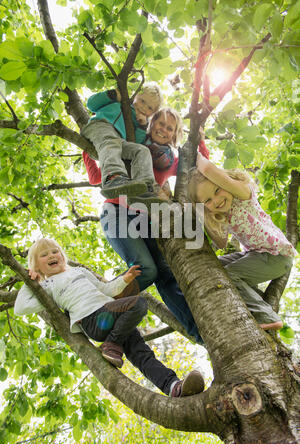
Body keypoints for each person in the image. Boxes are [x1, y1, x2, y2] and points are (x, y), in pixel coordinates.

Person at [14, 238, 205, 398]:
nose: (52, 256)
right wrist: (30, 281)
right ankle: (111, 344)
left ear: (62, 256)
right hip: (94, 321)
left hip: (116, 319)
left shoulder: (79, 271)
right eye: (44, 255)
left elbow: (106, 289)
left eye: (55, 251)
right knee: (138, 304)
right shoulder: (48, 286)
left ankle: (173, 387)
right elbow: (20, 308)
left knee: (142, 355)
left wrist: (125, 279)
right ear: (36, 266)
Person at [83, 108, 210, 344]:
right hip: (117, 212)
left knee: (167, 275)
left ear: (174, 134)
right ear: (150, 124)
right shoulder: (131, 143)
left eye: (169, 128)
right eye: (159, 123)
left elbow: (199, 166)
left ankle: (200, 333)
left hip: (147, 221)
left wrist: (200, 140)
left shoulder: (170, 159)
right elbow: (95, 178)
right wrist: (89, 146)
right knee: (147, 269)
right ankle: (96, 306)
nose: (163, 129)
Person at [187, 153, 296, 330]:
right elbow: (221, 243)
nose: (216, 200)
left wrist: (197, 149)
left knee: (229, 274)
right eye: (208, 200)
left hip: (277, 256)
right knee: (212, 266)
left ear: (224, 182)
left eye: (217, 190)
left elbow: (207, 169)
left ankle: (266, 316)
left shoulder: (242, 194)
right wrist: (205, 214)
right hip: (256, 255)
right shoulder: (223, 213)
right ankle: (254, 296)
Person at [81, 82, 166, 203]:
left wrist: (142, 126)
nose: (143, 107)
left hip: (118, 141)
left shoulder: (138, 121)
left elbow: (135, 142)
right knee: (111, 143)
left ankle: (145, 188)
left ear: (152, 113)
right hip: (100, 126)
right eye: (142, 101)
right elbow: (91, 104)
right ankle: (113, 177)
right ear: (135, 96)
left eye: (149, 108)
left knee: (142, 151)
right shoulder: (118, 101)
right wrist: (112, 95)